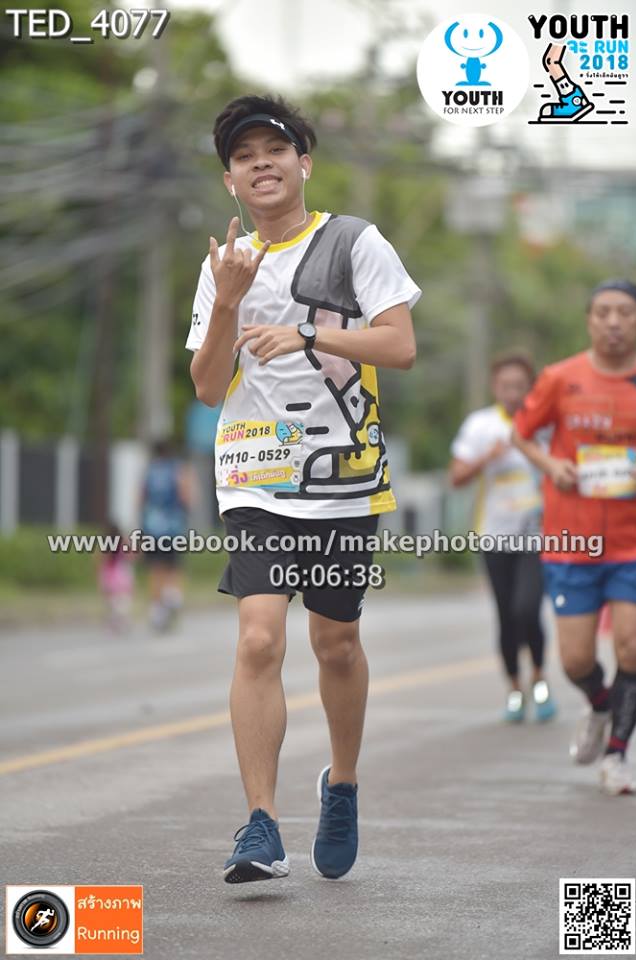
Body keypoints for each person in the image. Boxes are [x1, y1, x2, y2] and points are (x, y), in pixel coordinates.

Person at [186, 94, 420, 883]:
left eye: (274, 150)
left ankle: (341, 785)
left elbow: (399, 346)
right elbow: (207, 388)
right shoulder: (221, 266)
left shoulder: (353, 241)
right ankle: (260, 823)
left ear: (303, 164)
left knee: (335, 643)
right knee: (258, 639)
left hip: (342, 479)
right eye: (243, 156)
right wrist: (227, 299)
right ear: (230, 181)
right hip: (254, 477)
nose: (261, 163)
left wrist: (308, 333)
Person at [513, 279, 636, 796]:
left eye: (625, 312)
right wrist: (551, 464)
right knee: (576, 661)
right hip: (572, 542)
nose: (614, 322)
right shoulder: (560, 378)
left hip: (634, 544)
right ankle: (599, 704)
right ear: (589, 320)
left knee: (634, 647)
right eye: (603, 312)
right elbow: (522, 433)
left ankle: (617, 756)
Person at [449, 350, 556, 723]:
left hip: (537, 536)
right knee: (506, 615)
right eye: (505, 386)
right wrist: (487, 458)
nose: (512, 393)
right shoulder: (481, 426)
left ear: (531, 388)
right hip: (494, 536)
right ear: (495, 387)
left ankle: (539, 678)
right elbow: (456, 477)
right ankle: (514, 689)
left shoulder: (545, 425)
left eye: (519, 386)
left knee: (527, 608)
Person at [140, 439, 196, 632]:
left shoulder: (150, 471)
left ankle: (157, 610)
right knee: (174, 567)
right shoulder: (178, 469)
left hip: (152, 526)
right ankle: (173, 597)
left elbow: (141, 498)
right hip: (173, 527)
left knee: (155, 569)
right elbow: (186, 496)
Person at [98, 521, 134, 632]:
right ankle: (121, 620)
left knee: (112, 601)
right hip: (122, 573)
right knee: (122, 600)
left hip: (109, 574)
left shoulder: (105, 543)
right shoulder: (123, 542)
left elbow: (100, 558)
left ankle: (115, 620)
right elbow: (132, 555)